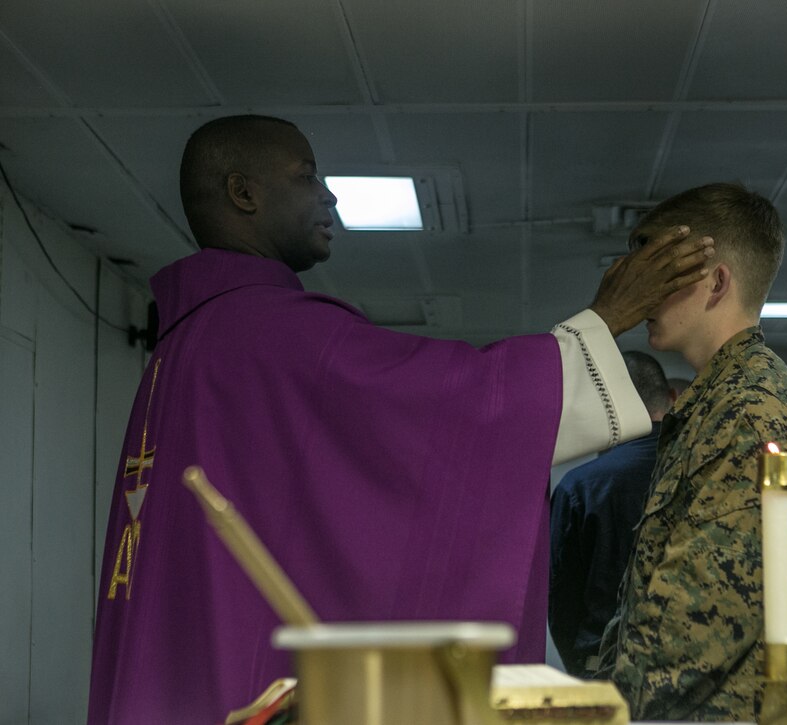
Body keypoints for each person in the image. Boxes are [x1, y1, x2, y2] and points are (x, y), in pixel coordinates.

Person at [86, 115, 716, 725]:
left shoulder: (188, 343)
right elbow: (463, 408)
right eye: (307, 176)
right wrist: (604, 320)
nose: (328, 193)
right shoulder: (273, 334)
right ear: (243, 192)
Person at [596, 183, 787, 721]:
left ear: (715, 283)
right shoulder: (714, 403)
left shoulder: (753, 412)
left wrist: (597, 710)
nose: (643, 296)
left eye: (661, 273)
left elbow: (697, 626)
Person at [549, 350, 674, 677]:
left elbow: (561, 602)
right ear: (672, 397)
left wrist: (585, 667)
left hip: (607, 670)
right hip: (703, 679)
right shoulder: (712, 472)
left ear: (604, 408)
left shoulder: (579, 488)